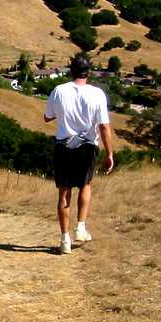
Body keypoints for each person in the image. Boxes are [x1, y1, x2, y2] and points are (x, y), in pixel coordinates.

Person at [44, 54, 114, 255]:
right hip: (87, 146)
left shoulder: (58, 91)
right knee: (85, 185)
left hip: (63, 145)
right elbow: (103, 126)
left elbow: (47, 117)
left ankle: (64, 239)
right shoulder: (97, 94)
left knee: (64, 192)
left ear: (70, 71)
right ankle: (81, 227)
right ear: (89, 73)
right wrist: (109, 153)